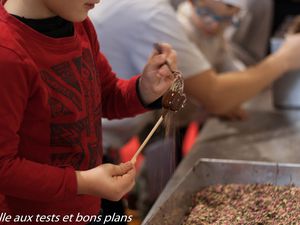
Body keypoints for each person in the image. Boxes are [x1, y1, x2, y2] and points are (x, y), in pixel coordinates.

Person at [89, 0, 300, 218]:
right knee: (157, 173)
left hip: (118, 137)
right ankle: (146, 206)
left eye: (227, 19)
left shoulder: (196, 29)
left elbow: (224, 71)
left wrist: (144, 90)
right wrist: (281, 61)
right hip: (125, 137)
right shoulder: (163, 19)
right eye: (209, 15)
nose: (215, 25)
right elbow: (213, 95)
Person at [0, 0, 177, 224]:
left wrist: (145, 89)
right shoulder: (7, 55)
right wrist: (82, 182)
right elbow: (3, 167)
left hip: (89, 204)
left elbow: (106, 95)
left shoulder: (79, 25)